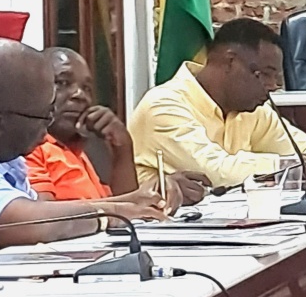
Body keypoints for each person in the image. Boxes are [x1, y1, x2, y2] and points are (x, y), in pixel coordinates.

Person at [0, 38, 166, 265]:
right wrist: (114, 212)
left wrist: (134, 202)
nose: (48, 128)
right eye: (44, 116)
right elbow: (32, 223)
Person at [128, 18, 306, 189]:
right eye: (264, 74)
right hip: (160, 241)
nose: (272, 86)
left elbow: (301, 147)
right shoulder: (164, 106)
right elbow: (218, 172)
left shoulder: (252, 109)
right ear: (231, 62)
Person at [25, 48, 209, 205]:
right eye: (63, 83)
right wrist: (144, 195)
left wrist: (122, 148)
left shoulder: (77, 152)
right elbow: (46, 219)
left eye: (87, 88)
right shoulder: (29, 146)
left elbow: (125, 215)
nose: (79, 95)